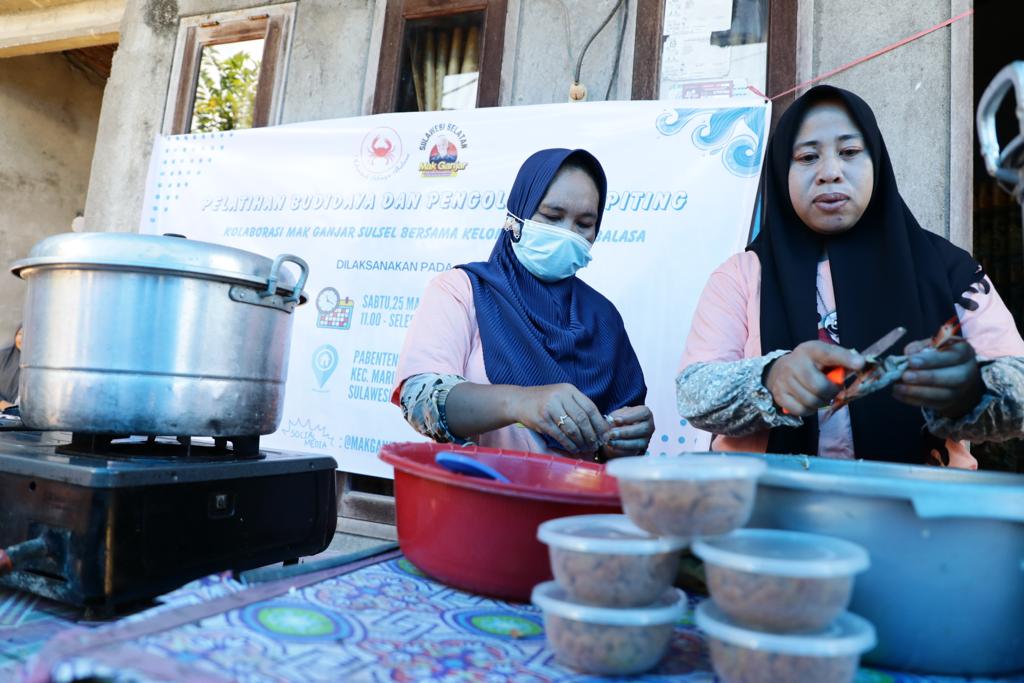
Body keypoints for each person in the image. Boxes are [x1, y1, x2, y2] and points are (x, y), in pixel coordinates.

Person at [677, 85, 1024, 468]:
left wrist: (975, 388)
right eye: (808, 156)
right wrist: (769, 379)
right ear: (781, 172)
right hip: (768, 510)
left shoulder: (948, 269)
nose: (830, 173)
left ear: (876, 159)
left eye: (850, 152)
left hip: (917, 514)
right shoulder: (742, 275)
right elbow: (694, 393)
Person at [392, 148, 655, 461]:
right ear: (517, 215)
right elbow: (420, 401)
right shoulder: (465, 290)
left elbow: (616, 447)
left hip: (574, 505)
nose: (568, 234)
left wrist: (621, 440)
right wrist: (520, 402)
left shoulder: (603, 318)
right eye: (552, 217)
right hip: (480, 497)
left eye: (584, 223)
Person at [0, 325, 22, 412]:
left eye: (28, 334)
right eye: (20, 334)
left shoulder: (40, 363)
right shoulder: (3, 356)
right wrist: (2, 403)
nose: (23, 338)